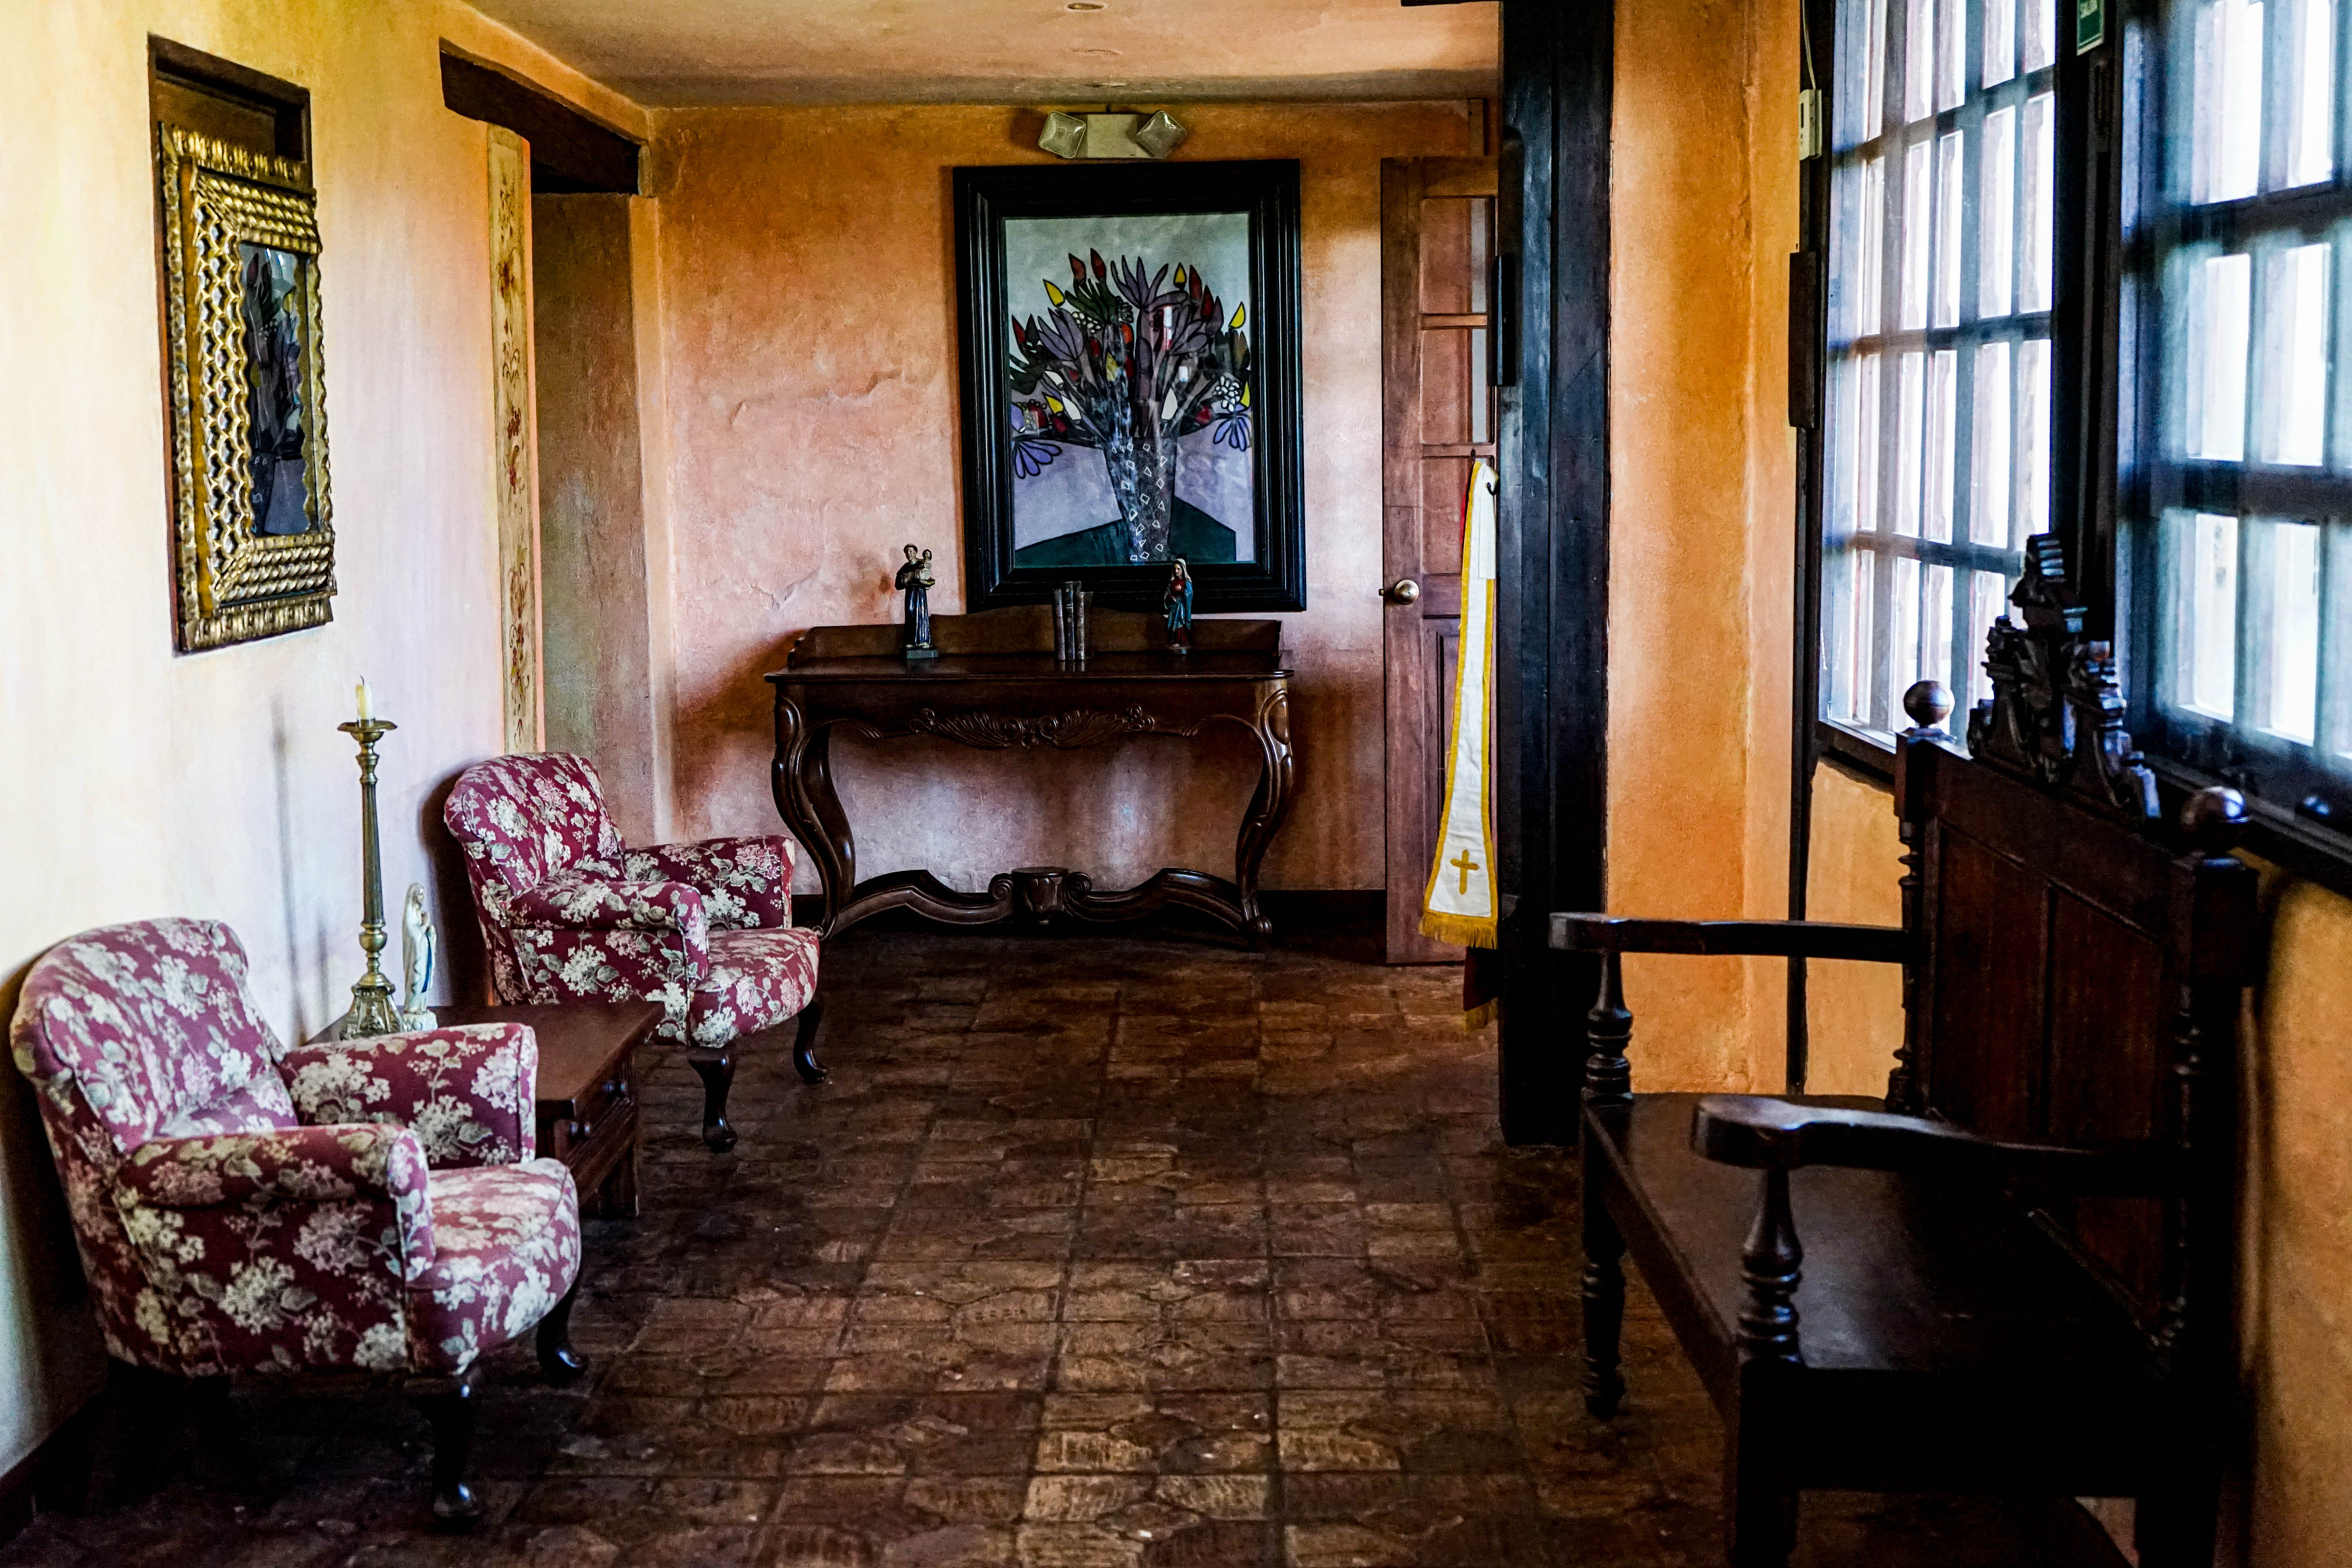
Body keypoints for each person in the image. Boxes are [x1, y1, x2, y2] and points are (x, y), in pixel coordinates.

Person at [896, 544, 935, 650]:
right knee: (910, 614)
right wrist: (906, 579)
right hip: (910, 593)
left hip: (920, 593)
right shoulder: (905, 568)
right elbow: (898, 585)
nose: (909, 554)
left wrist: (918, 578)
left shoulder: (921, 564)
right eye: (907, 552)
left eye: (911, 552)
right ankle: (911, 642)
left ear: (916, 552)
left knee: (921, 614)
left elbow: (928, 577)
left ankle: (924, 641)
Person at [1163, 556, 1194, 652]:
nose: (1176, 571)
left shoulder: (1187, 582)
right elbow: (1167, 593)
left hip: (1181, 607)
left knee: (1180, 621)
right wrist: (1170, 597)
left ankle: (1180, 640)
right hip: (1173, 606)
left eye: (1178, 569)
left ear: (1183, 569)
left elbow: (1190, 595)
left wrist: (1182, 590)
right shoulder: (1172, 582)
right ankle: (1173, 639)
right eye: (1175, 569)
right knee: (1172, 623)